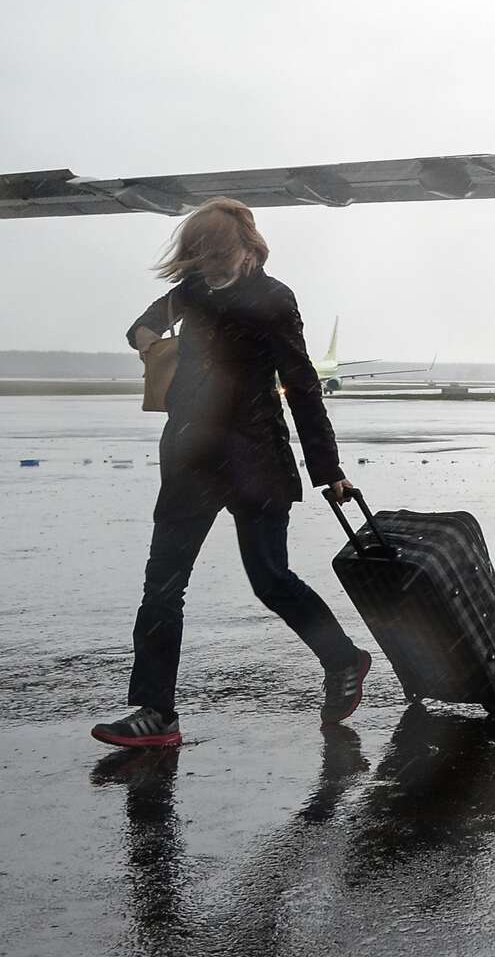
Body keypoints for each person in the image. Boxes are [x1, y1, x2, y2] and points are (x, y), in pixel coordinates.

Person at [93, 197, 371, 748]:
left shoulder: (273, 298)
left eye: (216, 256)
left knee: (270, 580)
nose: (208, 267)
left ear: (246, 247)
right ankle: (156, 713)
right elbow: (141, 326)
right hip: (190, 459)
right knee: (161, 588)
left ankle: (343, 659)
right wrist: (154, 345)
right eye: (197, 257)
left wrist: (328, 469)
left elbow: (302, 385)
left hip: (255, 460)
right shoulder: (191, 290)